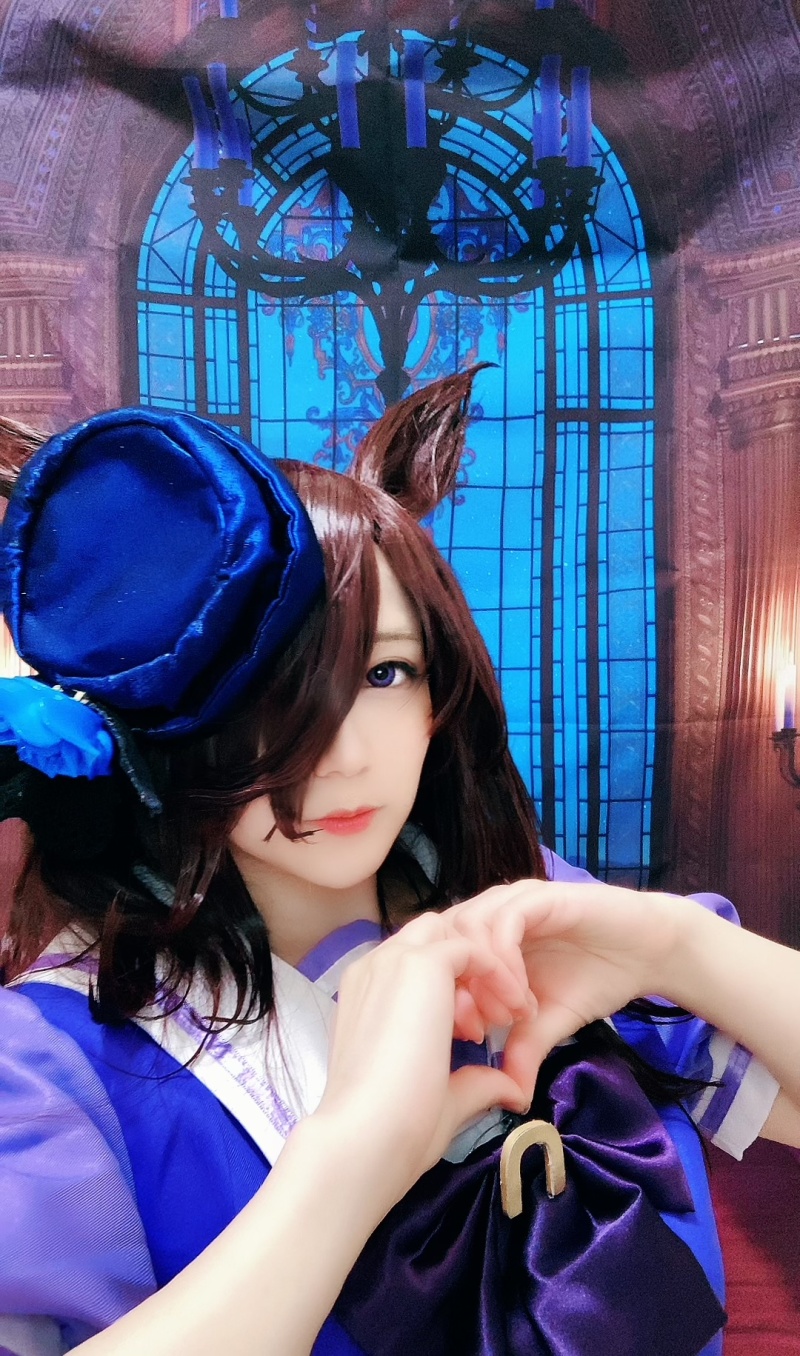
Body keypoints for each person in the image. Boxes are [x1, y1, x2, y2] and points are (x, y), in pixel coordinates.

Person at [0, 375, 796, 1356]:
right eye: (270, 695)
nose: (342, 754)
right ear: (168, 725)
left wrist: (674, 946)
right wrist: (349, 1163)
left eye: (384, 673)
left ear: (437, 691)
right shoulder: (51, 1055)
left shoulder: (534, 916)